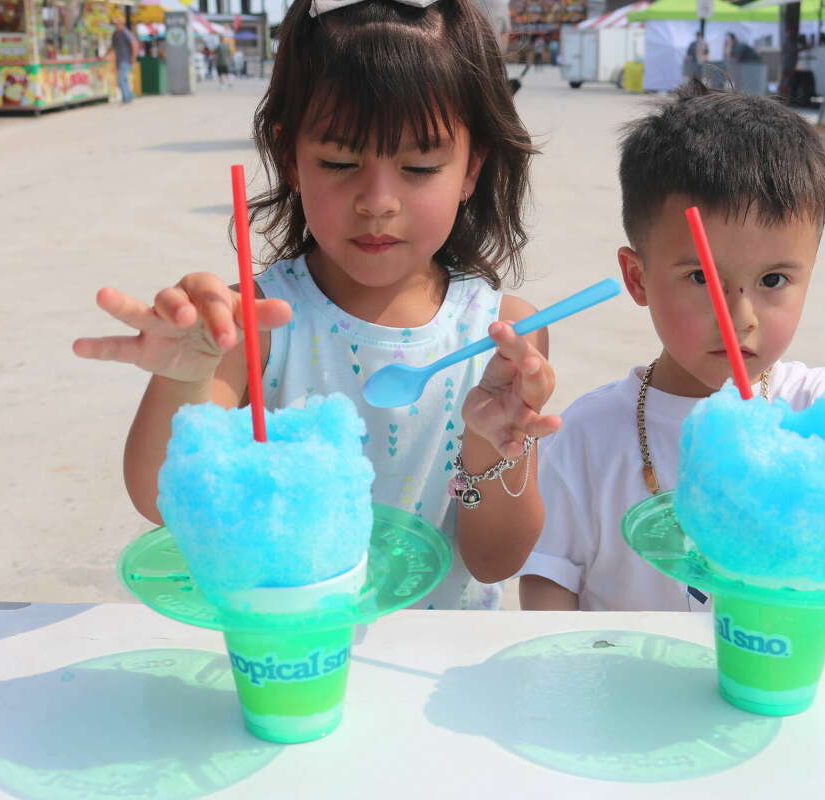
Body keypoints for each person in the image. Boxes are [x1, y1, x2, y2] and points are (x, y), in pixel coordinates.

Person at [459, 81, 825, 626]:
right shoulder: (587, 433)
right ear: (638, 278)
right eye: (701, 277)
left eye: (774, 279)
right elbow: (551, 575)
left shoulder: (818, 410)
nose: (741, 316)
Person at [73, 0, 557, 611]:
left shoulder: (504, 336)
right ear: (291, 159)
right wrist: (183, 379)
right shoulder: (257, 323)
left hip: (436, 667)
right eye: (339, 162)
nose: (377, 201)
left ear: (471, 169)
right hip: (287, 651)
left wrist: (493, 446)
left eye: (418, 166)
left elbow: (496, 562)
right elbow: (159, 497)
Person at [111, 18, 138, 104]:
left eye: (117, 24)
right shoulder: (115, 34)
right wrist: (105, 55)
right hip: (119, 60)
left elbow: (134, 45)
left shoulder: (126, 33)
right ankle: (129, 96)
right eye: (114, 24)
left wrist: (133, 58)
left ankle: (126, 98)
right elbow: (112, 46)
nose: (115, 26)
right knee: (124, 79)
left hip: (126, 59)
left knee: (121, 79)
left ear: (122, 24)